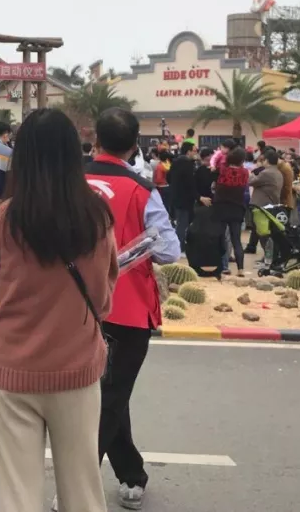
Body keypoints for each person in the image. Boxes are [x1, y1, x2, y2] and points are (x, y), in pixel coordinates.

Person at [0, 108, 118, 512]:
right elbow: (103, 302)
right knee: (83, 489)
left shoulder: (2, 218)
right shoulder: (97, 218)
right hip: (77, 369)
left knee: (18, 493)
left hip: (12, 371)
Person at [84, 108, 180, 511]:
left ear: (96, 141)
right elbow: (169, 250)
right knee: (111, 395)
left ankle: (131, 475)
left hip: (76, 305)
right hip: (127, 307)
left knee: (109, 395)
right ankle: (79, 484)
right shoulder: (142, 190)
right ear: (135, 144)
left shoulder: (69, 181)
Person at [212, 146, 249, 276]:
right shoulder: (245, 172)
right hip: (237, 208)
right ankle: (240, 269)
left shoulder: (222, 170)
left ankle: (222, 266)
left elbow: (214, 175)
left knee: (221, 237)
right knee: (236, 239)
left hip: (221, 207)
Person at [168, 142, 198, 249]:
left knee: (180, 222)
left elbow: (168, 177)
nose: (195, 153)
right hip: (185, 199)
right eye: (194, 151)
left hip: (175, 196)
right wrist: (197, 196)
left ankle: (179, 244)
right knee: (182, 223)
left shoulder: (175, 162)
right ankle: (179, 246)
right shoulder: (188, 164)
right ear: (188, 152)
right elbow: (190, 183)